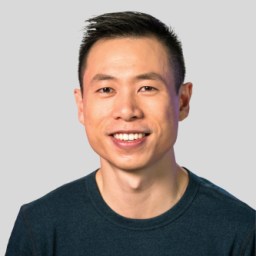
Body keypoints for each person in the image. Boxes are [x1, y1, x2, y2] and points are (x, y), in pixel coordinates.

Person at [5, 11, 255, 255]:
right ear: (81, 106)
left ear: (183, 101)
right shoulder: (39, 229)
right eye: (106, 89)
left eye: (146, 87)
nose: (127, 110)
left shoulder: (241, 232)